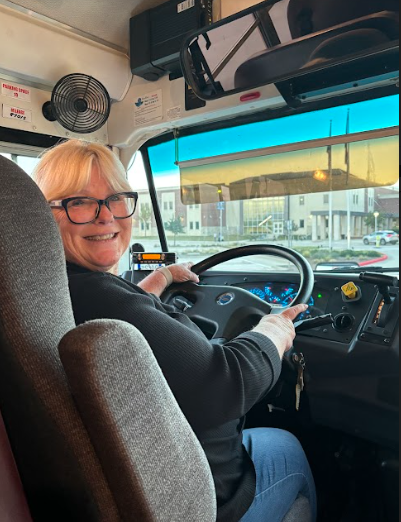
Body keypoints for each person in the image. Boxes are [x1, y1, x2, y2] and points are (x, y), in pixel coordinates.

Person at [33, 139, 317, 522]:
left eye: (116, 197)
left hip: (132, 483)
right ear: (42, 214)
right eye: (79, 202)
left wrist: (159, 279)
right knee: (286, 446)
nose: (106, 217)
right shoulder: (97, 295)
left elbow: (130, 321)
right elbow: (228, 383)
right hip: (204, 498)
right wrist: (274, 329)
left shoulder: (45, 292)